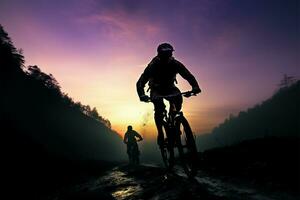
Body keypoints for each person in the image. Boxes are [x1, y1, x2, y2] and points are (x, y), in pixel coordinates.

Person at [136, 43, 201, 146]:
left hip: (170, 88)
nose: (167, 57)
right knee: (159, 108)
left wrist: (195, 87)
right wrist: (142, 95)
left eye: (169, 54)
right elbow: (141, 81)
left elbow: (188, 75)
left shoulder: (175, 64)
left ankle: (174, 121)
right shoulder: (153, 65)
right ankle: (161, 133)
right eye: (165, 54)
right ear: (159, 55)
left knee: (178, 100)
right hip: (156, 89)